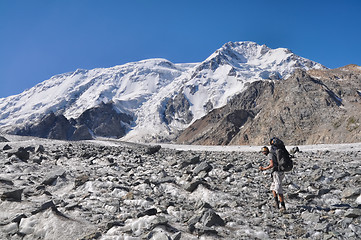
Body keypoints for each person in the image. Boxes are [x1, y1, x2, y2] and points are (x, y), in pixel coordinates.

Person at [259, 146, 286, 212]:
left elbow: (272, 165)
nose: (263, 153)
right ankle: (276, 203)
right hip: (278, 172)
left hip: (277, 173)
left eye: (263, 152)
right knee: (273, 188)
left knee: (278, 189)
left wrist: (263, 169)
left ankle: (283, 206)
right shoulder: (272, 154)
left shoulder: (270, 155)